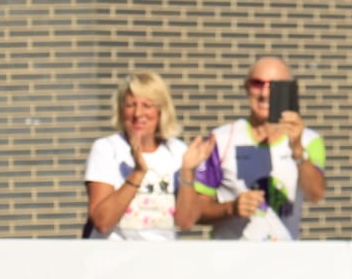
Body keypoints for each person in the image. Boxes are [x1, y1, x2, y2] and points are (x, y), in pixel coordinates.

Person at [176, 55, 326, 240]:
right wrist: (230, 208)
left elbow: (316, 195)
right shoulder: (221, 139)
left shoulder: (309, 140)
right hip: (232, 255)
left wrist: (297, 150)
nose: (265, 93)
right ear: (246, 87)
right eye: (257, 84)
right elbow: (193, 213)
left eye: (275, 86)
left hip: (285, 255)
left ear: (289, 91)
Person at [83, 71, 201, 240]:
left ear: (161, 110)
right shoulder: (106, 149)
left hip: (163, 254)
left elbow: (186, 222)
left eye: (147, 105)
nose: (138, 114)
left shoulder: (177, 150)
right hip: (114, 254)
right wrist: (138, 173)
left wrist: (188, 172)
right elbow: (102, 222)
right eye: (130, 105)